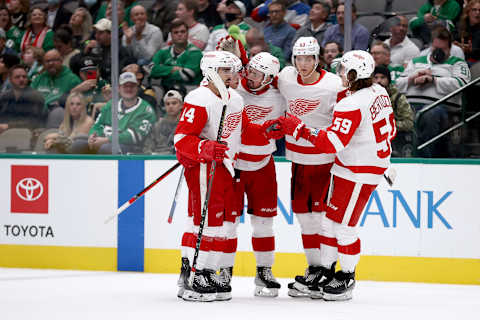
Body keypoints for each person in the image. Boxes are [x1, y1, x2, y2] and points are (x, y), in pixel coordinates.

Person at [277, 50, 396, 301]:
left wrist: (299, 128)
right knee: (329, 223)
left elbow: (332, 143)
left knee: (344, 227)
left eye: (344, 70)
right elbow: (388, 131)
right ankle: (327, 272)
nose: (340, 73)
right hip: (353, 167)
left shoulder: (351, 103)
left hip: (358, 172)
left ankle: (347, 276)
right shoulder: (378, 91)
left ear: (354, 74)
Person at [276, 36, 344, 297]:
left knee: (323, 219)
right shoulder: (286, 78)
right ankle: (315, 268)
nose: (303, 64)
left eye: (308, 59)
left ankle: (327, 269)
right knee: (305, 219)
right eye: (299, 58)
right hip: (297, 160)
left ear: (317, 59)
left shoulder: (333, 85)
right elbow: (258, 80)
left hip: (324, 161)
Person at [174, 50, 244, 302]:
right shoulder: (199, 98)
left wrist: (267, 131)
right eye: (225, 70)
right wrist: (204, 147)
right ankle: (196, 273)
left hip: (226, 167)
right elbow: (182, 139)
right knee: (206, 221)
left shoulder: (235, 99)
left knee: (217, 223)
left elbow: (240, 132)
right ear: (211, 71)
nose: (231, 75)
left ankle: (203, 270)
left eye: (232, 70)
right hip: (205, 167)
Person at [221, 50, 286, 297]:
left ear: (269, 78)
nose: (250, 78)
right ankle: (224, 270)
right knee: (227, 225)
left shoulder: (280, 96)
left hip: (263, 165)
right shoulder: (236, 89)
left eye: (257, 75)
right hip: (234, 165)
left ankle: (264, 271)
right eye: (250, 72)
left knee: (263, 224)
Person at [396, 26, 471, 158]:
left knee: (430, 114)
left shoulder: (457, 63)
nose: (438, 52)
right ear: (431, 46)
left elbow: (461, 84)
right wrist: (412, 78)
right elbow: (397, 84)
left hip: (439, 107)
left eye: (443, 49)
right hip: (410, 104)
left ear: (450, 48)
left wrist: (433, 80)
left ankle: (423, 158)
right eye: (436, 49)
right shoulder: (416, 61)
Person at [79, 71, 156, 154]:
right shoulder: (110, 105)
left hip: (132, 149)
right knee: (78, 145)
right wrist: (93, 137)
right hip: (105, 142)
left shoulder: (146, 110)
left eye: (132, 86)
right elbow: (97, 125)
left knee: (106, 148)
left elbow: (133, 136)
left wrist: (106, 140)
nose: (128, 89)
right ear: (119, 88)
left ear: (137, 88)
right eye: (125, 86)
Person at [31, 49, 81, 127]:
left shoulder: (72, 79)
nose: (51, 63)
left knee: (58, 112)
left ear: (61, 61)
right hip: (37, 113)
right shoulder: (39, 78)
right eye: (47, 61)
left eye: (54, 60)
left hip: (58, 114)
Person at [150, 19, 203, 93]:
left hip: (189, 90)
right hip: (166, 89)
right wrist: (174, 68)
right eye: (176, 32)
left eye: (183, 32)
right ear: (171, 35)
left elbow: (187, 75)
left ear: (188, 33)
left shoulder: (195, 53)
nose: (179, 34)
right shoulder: (163, 51)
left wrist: (162, 71)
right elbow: (151, 70)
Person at [373, 65, 415, 157]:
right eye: (375, 78)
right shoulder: (366, 98)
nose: (379, 81)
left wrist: (386, 126)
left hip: (395, 139)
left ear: (388, 80)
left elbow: (409, 123)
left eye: (382, 77)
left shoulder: (398, 98)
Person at [0, 64, 46, 134]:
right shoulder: (4, 96)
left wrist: (8, 126)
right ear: (10, 79)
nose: (21, 79)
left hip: (26, 134)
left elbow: (33, 122)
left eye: (24, 77)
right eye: (17, 77)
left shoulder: (35, 97)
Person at [146, 89, 183, 154]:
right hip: (157, 159)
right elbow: (147, 146)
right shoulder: (157, 125)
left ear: (181, 105)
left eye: (174, 103)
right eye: (167, 104)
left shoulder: (186, 124)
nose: (170, 106)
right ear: (164, 107)